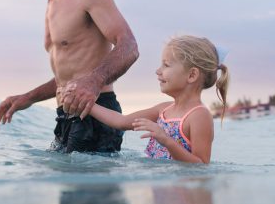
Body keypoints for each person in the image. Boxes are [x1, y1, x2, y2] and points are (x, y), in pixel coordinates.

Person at [0, 0, 139, 153]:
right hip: (66, 118)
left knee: (84, 189)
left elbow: (129, 46)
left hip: (95, 113)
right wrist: (28, 97)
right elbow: (70, 77)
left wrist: (94, 81)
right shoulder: (52, 3)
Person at [83, 35, 229, 164]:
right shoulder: (163, 109)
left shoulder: (199, 115)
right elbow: (121, 122)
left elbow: (201, 165)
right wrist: (85, 103)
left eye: (166, 65)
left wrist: (166, 140)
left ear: (191, 75)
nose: (158, 71)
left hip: (183, 193)